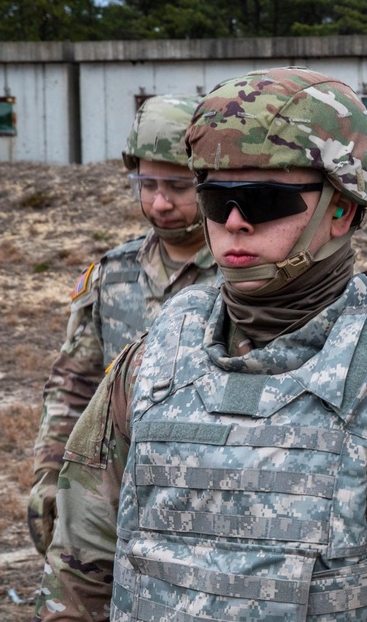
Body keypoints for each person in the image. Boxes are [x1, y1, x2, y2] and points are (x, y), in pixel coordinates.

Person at [33, 66, 367, 621]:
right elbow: (79, 570)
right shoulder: (153, 358)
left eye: (262, 200)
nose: (233, 221)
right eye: (214, 197)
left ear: (342, 208)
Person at [27, 93, 221, 556]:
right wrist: (50, 477)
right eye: (146, 182)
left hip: (212, 503)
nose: (159, 201)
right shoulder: (113, 273)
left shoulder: (242, 276)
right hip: (117, 498)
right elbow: (74, 384)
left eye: (177, 185)